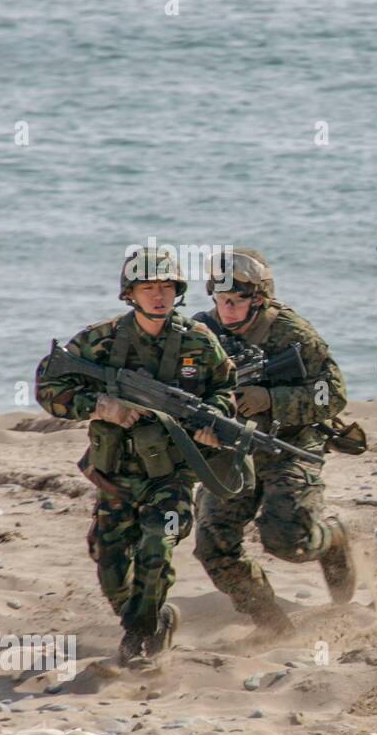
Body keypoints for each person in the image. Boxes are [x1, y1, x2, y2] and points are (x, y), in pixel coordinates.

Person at [35, 249, 234, 664]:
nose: (158, 296)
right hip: (117, 473)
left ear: (177, 291)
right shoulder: (100, 340)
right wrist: (101, 406)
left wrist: (214, 421)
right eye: (148, 287)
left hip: (173, 472)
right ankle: (150, 619)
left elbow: (224, 390)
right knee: (109, 565)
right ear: (131, 293)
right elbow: (49, 387)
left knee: (157, 547)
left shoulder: (199, 340)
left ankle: (139, 639)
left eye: (166, 287)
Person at [191, 248, 356, 631]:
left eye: (236, 301)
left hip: (291, 447)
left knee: (287, 540)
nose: (226, 309)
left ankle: (333, 538)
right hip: (234, 451)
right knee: (212, 544)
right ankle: (272, 624)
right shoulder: (201, 332)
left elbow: (333, 394)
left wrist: (270, 400)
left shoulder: (291, 333)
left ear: (259, 298)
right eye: (220, 300)